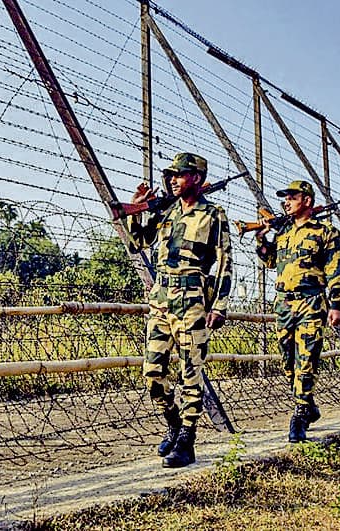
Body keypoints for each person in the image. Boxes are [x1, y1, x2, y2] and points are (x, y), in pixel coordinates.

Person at [125, 152, 232, 468]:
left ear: (196, 178)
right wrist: (137, 210)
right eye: (170, 174)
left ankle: (187, 439)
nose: (173, 179)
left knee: (190, 372)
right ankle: (173, 423)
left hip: (192, 301)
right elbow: (138, 243)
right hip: (160, 301)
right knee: (152, 374)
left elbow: (225, 261)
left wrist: (220, 305)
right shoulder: (167, 212)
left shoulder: (213, 215)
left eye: (180, 174)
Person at [254, 180, 340, 442]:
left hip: (311, 302)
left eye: (292, 197)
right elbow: (271, 262)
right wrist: (262, 241)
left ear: (306, 200)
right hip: (284, 304)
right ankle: (309, 403)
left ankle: (300, 413)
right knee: (288, 362)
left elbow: (334, 269)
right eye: (285, 198)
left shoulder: (325, 232)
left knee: (306, 360)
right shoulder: (283, 233)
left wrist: (336, 305)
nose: (286, 201)